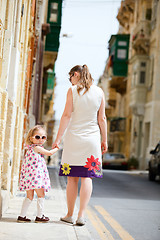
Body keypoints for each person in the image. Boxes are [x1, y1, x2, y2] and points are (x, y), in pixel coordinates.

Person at [52, 64, 108, 226]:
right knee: (87, 177)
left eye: (70, 77)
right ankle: (81, 216)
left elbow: (67, 115)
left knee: (72, 179)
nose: (70, 81)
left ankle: (70, 214)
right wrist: (104, 139)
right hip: (92, 140)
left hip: (73, 139)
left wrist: (57, 139)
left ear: (76, 74)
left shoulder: (73, 91)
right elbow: (102, 119)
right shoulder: (99, 92)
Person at [17, 125, 58, 223]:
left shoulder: (30, 148)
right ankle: (40, 216)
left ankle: (22, 216)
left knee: (29, 197)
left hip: (29, 178)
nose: (40, 140)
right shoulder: (37, 148)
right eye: (37, 137)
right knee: (41, 195)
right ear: (31, 138)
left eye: (43, 137)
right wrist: (56, 148)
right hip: (36, 178)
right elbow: (49, 153)